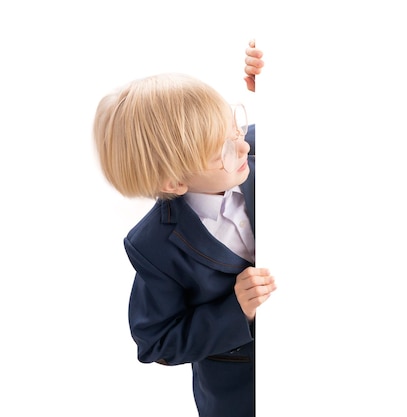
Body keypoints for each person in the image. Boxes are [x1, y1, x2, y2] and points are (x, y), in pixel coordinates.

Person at [92, 40, 275, 417]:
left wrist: (279, 85)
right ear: (174, 182)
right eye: (224, 149)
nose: (243, 148)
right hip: (244, 392)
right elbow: (155, 342)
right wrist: (236, 310)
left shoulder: (255, 147)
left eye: (236, 126)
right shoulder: (154, 246)